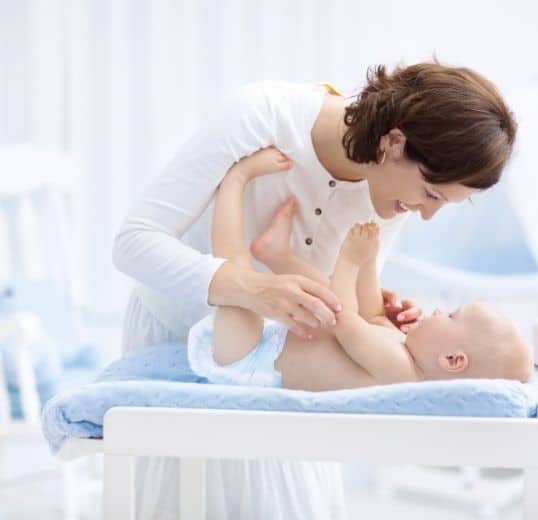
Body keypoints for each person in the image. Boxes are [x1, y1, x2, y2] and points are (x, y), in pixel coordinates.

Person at [113, 60, 517, 519]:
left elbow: (342, 305)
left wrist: (381, 316)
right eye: (432, 194)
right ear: (394, 141)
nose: (425, 214)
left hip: (289, 376)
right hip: (177, 332)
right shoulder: (262, 116)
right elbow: (133, 244)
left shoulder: (396, 190)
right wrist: (245, 288)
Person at [189, 146, 532, 390]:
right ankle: (277, 255)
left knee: (235, 271)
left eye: (453, 316)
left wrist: (351, 260)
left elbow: (344, 320)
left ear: (452, 360)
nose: (441, 310)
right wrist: (368, 262)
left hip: (247, 361)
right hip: (268, 345)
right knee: (325, 294)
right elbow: (371, 315)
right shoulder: (405, 354)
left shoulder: (401, 371)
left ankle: (235, 179)